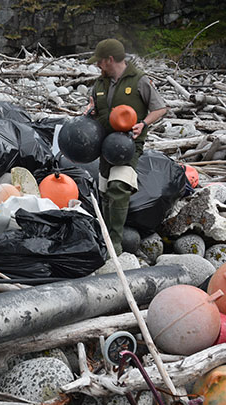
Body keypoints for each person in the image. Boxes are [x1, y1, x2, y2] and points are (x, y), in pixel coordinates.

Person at [85, 38, 167, 255]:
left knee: (118, 188)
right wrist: (90, 112)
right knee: (103, 191)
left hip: (128, 144)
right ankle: (104, 234)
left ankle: (115, 244)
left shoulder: (139, 80)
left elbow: (160, 108)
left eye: (100, 62)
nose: (97, 66)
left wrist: (144, 124)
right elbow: (94, 107)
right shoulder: (100, 84)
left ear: (110, 59)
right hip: (104, 143)